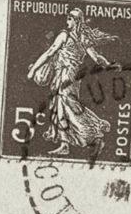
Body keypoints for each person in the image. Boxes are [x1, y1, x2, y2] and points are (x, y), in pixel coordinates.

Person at [26, 8, 119, 156]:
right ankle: (67, 142)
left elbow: (50, 53)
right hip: (71, 75)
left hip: (66, 74)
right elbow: (96, 57)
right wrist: (108, 64)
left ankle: (95, 125)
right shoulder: (83, 38)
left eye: (69, 18)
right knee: (62, 105)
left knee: (65, 103)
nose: (67, 21)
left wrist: (33, 70)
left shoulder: (65, 35)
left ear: (75, 21)